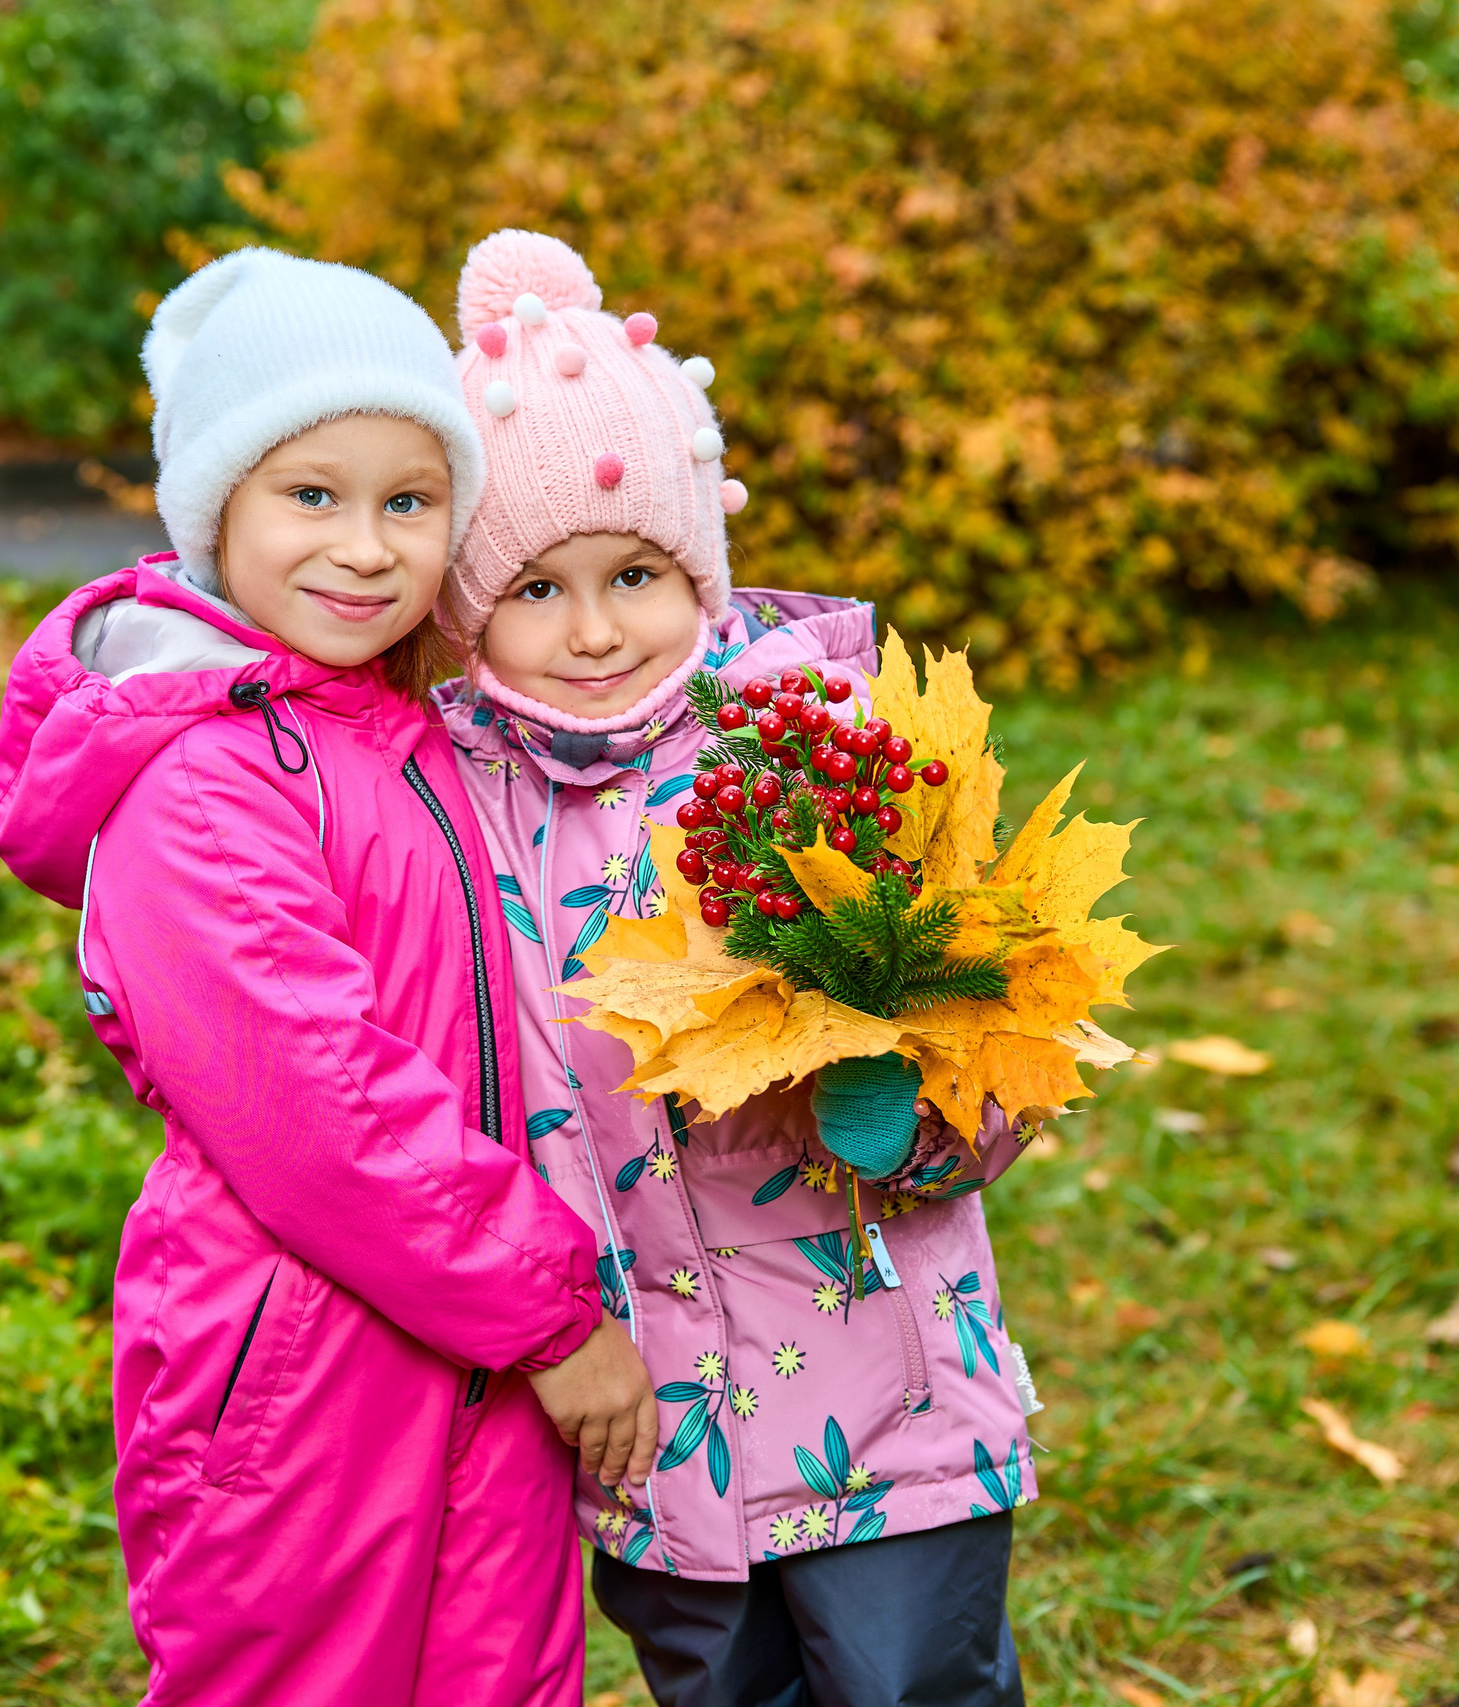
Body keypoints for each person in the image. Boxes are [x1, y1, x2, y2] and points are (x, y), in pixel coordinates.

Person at [0, 246, 657, 1707]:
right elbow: (319, 1099)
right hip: (302, 1371)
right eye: (313, 495)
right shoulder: (201, 781)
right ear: (212, 511)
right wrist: (549, 1314)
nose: (364, 547)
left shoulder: (385, 728)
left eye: (409, 503)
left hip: (463, 1349)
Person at [434, 230, 1048, 1707]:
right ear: (467, 608)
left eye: (636, 573)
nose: (594, 631)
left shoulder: (815, 757)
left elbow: (991, 1009)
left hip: (882, 1381)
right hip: (647, 1411)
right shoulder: (456, 806)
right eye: (537, 589)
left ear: (698, 565)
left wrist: (922, 1115)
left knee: (914, 1688)